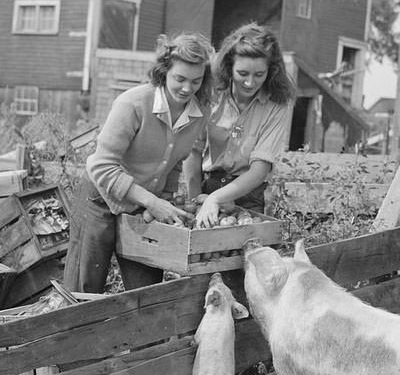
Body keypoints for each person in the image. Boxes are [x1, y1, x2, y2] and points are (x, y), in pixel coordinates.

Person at [63, 31, 213, 293]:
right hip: (98, 199)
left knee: (146, 290)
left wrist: (161, 201)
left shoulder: (198, 114)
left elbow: (175, 162)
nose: (187, 88)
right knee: (84, 289)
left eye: (196, 81)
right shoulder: (133, 103)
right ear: (164, 71)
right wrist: (152, 201)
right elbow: (101, 166)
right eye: (179, 79)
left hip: (141, 207)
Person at [185, 22, 296, 229]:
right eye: (242, 74)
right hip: (205, 187)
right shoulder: (211, 95)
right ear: (229, 67)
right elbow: (193, 152)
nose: (250, 82)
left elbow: (259, 169)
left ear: (270, 71)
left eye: (259, 75)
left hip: (249, 194)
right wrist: (197, 200)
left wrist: (217, 198)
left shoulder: (277, 105)